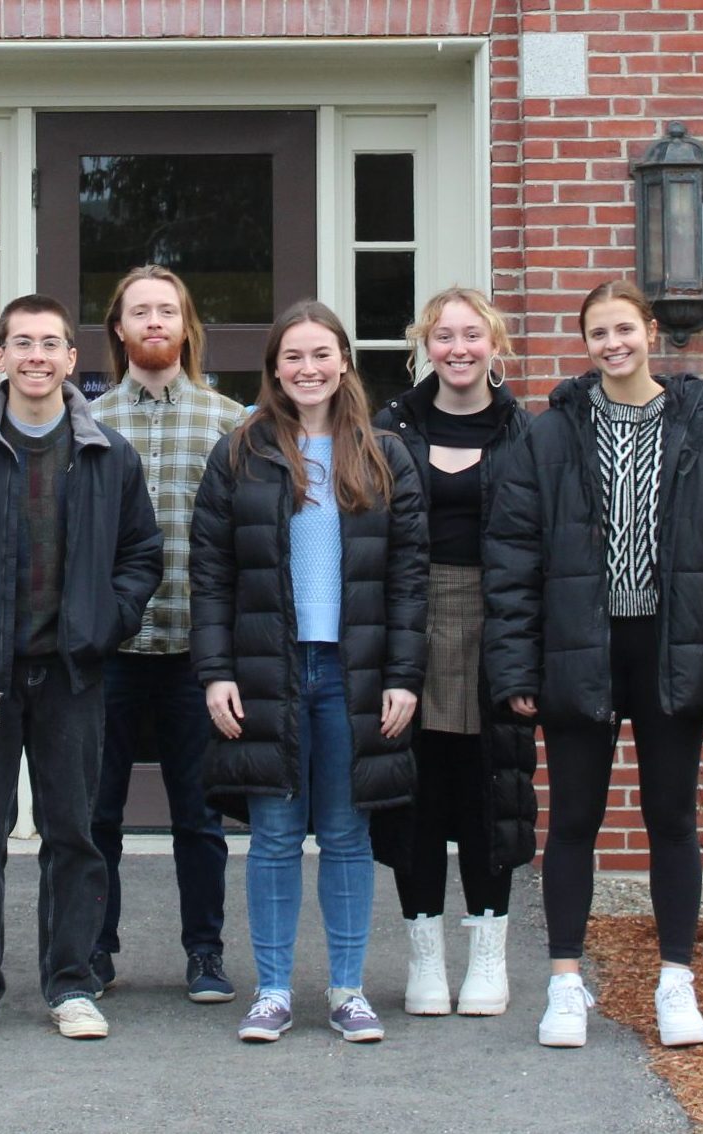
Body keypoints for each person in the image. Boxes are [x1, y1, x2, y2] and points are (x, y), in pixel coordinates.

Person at [483, 279, 703, 1049]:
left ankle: (676, 983)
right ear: (586, 345)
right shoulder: (550, 435)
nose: (612, 344)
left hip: (671, 652)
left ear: (649, 330)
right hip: (580, 648)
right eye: (597, 334)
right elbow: (512, 561)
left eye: (623, 329)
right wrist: (515, 669)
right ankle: (565, 986)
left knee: (671, 820)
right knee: (573, 820)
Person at [0, 294, 163, 1042]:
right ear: (0, 357)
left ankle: (71, 982)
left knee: (73, 834)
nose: (37, 356)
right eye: (23, 343)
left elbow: (141, 555)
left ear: (72, 359)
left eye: (51, 344)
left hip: (72, 673)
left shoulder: (109, 455)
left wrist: (107, 622)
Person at [190, 300, 428, 1044]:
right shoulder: (239, 454)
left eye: (321, 353)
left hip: (355, 673)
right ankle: (272, 991)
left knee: (348, 835)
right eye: (292, 356)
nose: (308, 368)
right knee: (273, 836)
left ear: (344, 361)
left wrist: (403, 676)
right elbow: (211, 575)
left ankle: (348, 989)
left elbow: (408, 580)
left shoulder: (385, 455)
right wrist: (216, 672)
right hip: (271, 669)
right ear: (275, 368)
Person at [372, 286, 537, 1018]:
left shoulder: (525, 433)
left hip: (497, 621)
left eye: (472, 335)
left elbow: (545, 546)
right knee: (418, 793)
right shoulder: (391, 428)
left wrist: (531, 654)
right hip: (410, 616)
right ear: (424, 346)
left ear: (494, 345)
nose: (459, 349)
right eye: (444, 336)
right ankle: (425, 960)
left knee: (486, 792)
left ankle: (489, 958)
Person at [87, 265, 246, 1003]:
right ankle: (93, 950)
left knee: (199, 816)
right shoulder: (86, 422)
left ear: (186, 327)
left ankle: (205, 953)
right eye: (140, 311)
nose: (154, 322)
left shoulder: (229, 422)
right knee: (97, 814)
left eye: (167, 311)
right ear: (118, 329)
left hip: (195, 650)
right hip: (107, 650)